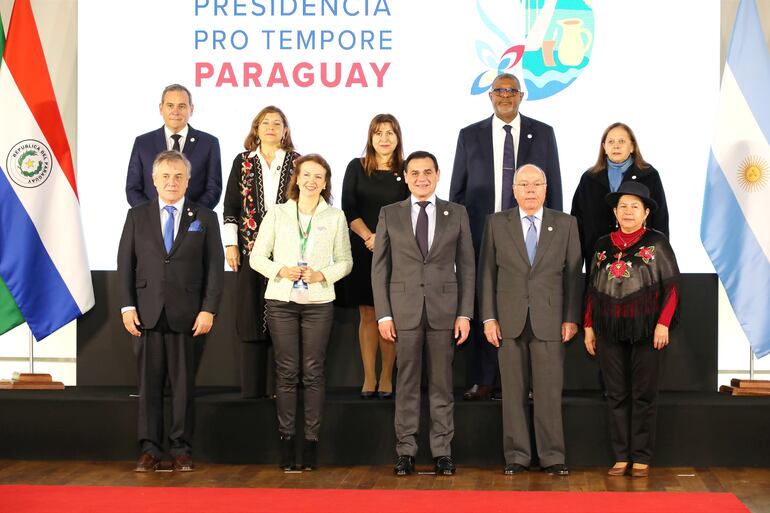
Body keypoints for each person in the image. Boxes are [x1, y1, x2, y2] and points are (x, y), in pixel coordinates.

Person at [450, 72, 562, 401]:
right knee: (484, 302)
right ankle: (484, 379)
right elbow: (458, 192)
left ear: (521, 96)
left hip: (530, 237)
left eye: (511, 90)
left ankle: (526, 381)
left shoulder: (543, 133)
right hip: (482, 235)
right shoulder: (469, 135)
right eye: (499, 90)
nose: (505, 95)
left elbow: (553, 187)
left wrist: (553, 238)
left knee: (526, 304)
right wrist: (459, 240)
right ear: (490, 96)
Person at [118, 150, 224, 472]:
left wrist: (208, 310)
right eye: (165, 176)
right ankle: (150, 448)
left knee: (183, 387)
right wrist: (127, 306)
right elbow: (125, 265)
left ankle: (181, 448)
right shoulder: (137, 216)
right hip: (146, 314)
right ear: (154, 180)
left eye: (178, 176)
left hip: (188, 315)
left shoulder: (205, 217)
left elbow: (214, 268)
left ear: (188, 180)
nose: (172, 182)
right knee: (148, 387)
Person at [372, 151, 475, 476]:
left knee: (442, 385)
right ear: (405, 177)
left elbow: (467, 266)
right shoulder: (389, 213)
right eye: (415, 173)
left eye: (428, 172)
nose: (421, 178)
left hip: (445, 313)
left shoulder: (456, 213)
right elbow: (380, 268)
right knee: (406, 385)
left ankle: (442, 452)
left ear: (438, 174)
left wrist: (465, 314)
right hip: (403, 313)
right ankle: (406, 452)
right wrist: (384, 315)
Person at [249, 154, 352, 471]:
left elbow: (345, 262)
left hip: (318, 304)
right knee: (287, 371)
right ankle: (286, 442)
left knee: (313, 371)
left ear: (325, 182)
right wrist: (281, 270)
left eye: (318, 176)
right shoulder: (278, 213)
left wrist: (322, 275)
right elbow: (256, 258)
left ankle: (310, 444)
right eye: (306, 174)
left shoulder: (335, 216)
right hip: (281, 302)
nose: (311, 181)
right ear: (297, 178)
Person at [478, 164, 581, 477]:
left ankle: (552, 456)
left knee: (549, 393)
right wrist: (489, 317)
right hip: (508, 320)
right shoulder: (496, 223)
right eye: (524, 184)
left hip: (551, 320)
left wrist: (571, 318)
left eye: (537, 184)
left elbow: (573, 275)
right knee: (512, 393)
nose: (531, 190)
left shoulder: (566, 224)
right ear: (514, 190)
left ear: (546, 189)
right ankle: (517, 456)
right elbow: (486, 274)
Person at [583, 181, 679, 478]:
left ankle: (641, 456)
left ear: (646, 212)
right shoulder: (602, 244)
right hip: (609, 330)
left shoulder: (657, 243)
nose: (628, 211)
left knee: (643, 394)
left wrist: (663, 323)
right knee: (616, 394)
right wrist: (588, 326)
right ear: (614, 211)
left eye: (635, 206)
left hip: (647, 330)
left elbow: (672, 288)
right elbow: (592, 289)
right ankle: (621, 456)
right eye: (622, 206)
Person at [223, 106, 299, 398]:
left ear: (285, 130)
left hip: (286, 253)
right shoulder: (243, 161)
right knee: (250, 315)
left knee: (284, 318)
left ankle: (282, 392)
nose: (270, 127)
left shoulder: (297, 162)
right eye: (265, 123)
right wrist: (231, 244)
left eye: (277, 123)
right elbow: (231, 206)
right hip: (250, 249)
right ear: (256, 128)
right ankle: (252, 392)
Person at [339, 113, 409, 399]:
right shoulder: (356, 167)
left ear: (398, 137)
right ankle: (369, 377)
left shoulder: (407, 169)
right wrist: (369, 237)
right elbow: (348, 207)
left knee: (388, 314)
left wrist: (384, 239)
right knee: (367, 314)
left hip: (396, 251)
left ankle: (387, 378)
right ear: (370, 137)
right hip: (362, 246)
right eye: (378, 133)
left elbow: (409, 211)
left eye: (390, 132)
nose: (384, 138)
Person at [571, 122, 669, 273]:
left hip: (639, 259)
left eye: (621, 141)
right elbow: (577, 222)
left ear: (632, 146)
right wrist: (575, 267)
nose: (616, 146)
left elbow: (660, 219)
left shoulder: (649, 175)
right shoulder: (589, 178)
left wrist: (661, 258)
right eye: (611, 141)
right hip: (598, 257)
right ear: (604, 147)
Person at [126, 84, 222, 209]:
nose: (175, 112)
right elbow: (133, 188)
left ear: (191, 109)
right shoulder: (143, 143)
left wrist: (191, 215)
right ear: (161, 108)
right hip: (150, 219)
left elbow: (213, 189)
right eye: (170, 105)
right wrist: (151, 214)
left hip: (193, 219)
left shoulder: (209, 143)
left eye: (181, 106)